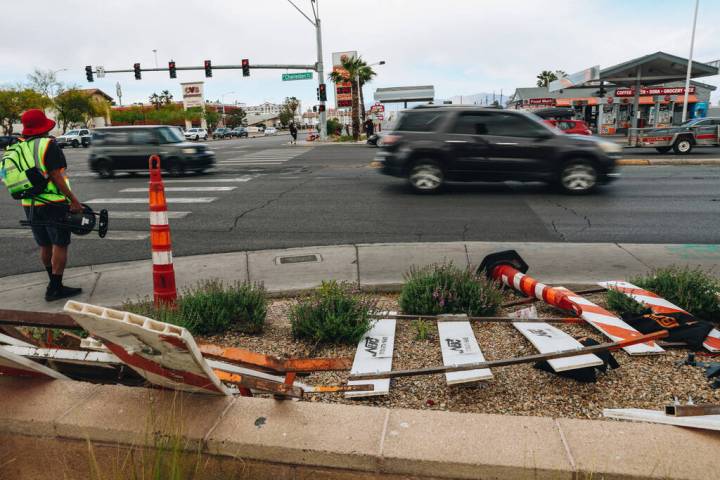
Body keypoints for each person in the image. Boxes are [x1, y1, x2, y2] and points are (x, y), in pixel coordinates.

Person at [1, 109, 84, 301]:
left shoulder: (18, 147)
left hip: (29, 203)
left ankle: (53, 282)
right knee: (60, 244)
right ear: (44, 126)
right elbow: (56, 177)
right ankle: (55, 287)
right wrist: (73, 200)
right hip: (53, 202)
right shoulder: (48, 145)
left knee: (45, 244)